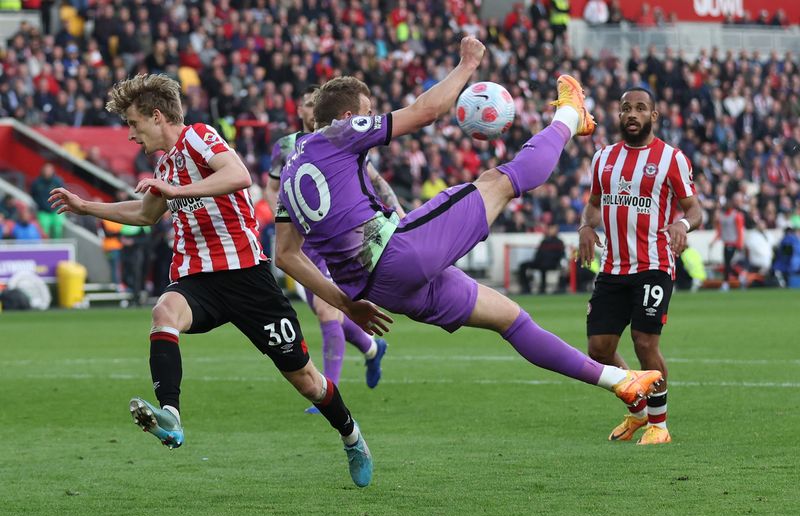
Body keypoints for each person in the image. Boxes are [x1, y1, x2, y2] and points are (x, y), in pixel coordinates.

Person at [274, 37, 664, 439]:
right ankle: (569, 116)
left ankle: (618, 381)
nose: (373, 120)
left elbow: (285, 255)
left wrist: (345, 303)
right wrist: (467, 64)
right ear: (349, 116)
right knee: (499, 181)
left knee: (510, 318)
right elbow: (426, 112)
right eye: (369, 114)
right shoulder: (339, 134)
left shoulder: (287, 174)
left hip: (379, 292)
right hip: (398, 254)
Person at [49, 73, 388, 488]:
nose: (132, 135)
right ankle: (170, 415)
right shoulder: (166, 164)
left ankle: (352, 436)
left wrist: (175, 189)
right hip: (200, 280)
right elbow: (145, 214)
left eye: (135, 124)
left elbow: (239, 175)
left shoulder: (198, 137)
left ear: (158, 116)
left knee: (307, 382)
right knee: (164, 311)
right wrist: (86, 207)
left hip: (248, 279)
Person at [577, 87, 703, 445]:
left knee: (645, 342)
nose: (632, 114)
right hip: (613, 268)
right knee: (599, 348)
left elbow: (694, 209)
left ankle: (659, 425)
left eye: (641, 108)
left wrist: (683, 224)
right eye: (626, 109)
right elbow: (594, 204)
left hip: (654, 265)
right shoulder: (602, 158)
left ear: (654, 116)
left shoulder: (671, 158)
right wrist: (586, 226)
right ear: (619, 115)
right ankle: (637, 413)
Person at [266, 84, 394, 411]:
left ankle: (329, 392)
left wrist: (399, 210)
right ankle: (371, 348)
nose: (311, 109)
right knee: (332, 313)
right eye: (307, 103)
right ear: (301, 110)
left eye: (315, 103)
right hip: (301, 245)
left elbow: (375, 179)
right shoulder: (285, 147)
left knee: (327, 310)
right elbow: (272, 188)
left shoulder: (340, 140)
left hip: (331, 240)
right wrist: (287, 219)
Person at [517, 223, 566, 294]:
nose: (552, 230)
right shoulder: (544, 241)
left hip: (552, 264)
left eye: (554, 228)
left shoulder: (559, 242)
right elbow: (538, 254)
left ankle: (543, 288)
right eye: (551, 228)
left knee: (544, 266)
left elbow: (562, 255)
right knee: (523, 265)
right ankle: (526, 288)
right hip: (540, 262)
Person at [714, 194, 745, 290]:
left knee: (728, 264)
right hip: (726, 242)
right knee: (728, 264)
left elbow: (739, 230)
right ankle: (740, 276)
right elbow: (720, 230)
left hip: (733, 242)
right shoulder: (722, 216)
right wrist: (714, 240)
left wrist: (740, 243)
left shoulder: (736, 215)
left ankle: (726, 283)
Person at [30, 163, 65, 239]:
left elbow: (64, 193)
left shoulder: (58, 181)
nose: (47, 172)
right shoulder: (36, 183)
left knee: (58, 229)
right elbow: (33, 194)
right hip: (43, 211)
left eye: (49, 170)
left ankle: (57, 247)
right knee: (44, 232)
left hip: (56, 210)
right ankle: (46, 248)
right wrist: (40, 204)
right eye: (46, 170)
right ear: (42, 171)